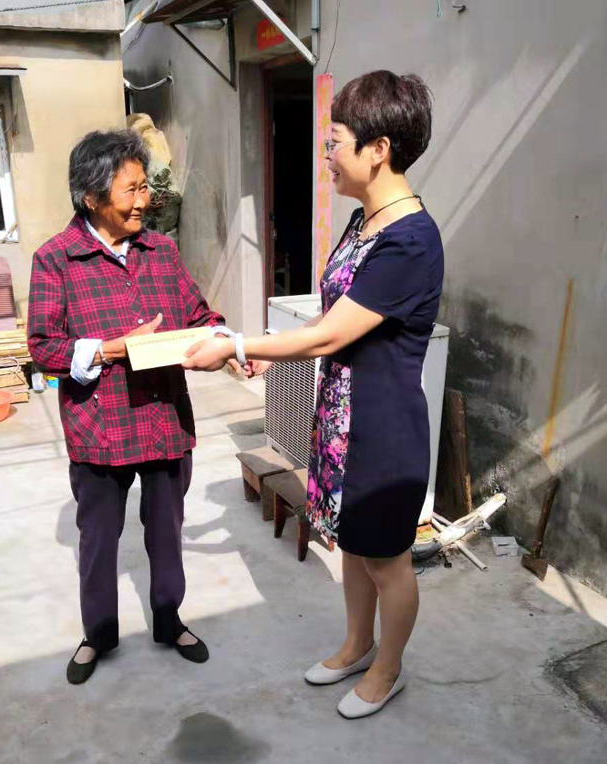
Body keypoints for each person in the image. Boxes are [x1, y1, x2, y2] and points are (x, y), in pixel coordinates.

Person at [183, 71, 443, 719]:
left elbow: (329, 334)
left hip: (382, 431)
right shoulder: (363, 223)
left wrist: (237, 344)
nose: (325, 156)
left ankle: (387, 669)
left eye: (334, 143)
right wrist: (269, 357)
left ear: (377, 149)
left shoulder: (409, 241)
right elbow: (335, 323)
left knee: (386, 561)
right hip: (340, 420)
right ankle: (356, 645)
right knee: (351, 546)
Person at [28, 129, 235, 684]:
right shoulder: (56, 259)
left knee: (166, 531)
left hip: (165, 418)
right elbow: (43, 347)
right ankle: (97, 634)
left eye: (146, 187)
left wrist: (227, 344)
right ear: (92, 197)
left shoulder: (161, 251)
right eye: (132, 189)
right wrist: (114, 349)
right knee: (99, 540)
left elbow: (199, 313)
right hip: (100, 426)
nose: (145, 200)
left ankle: (169, 620)